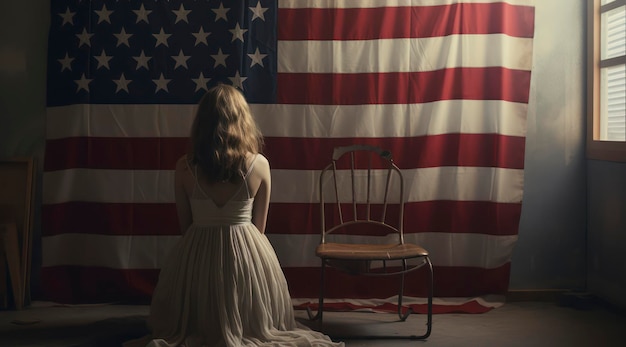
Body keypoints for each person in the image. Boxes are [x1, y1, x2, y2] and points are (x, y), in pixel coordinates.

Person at [139, 84, 343, 347]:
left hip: (197, 250)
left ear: (203, 123)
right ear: (242, 121)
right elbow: (259, 229)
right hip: (247, 251)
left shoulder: (184, 167)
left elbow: (185, 225)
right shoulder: (260, 164)